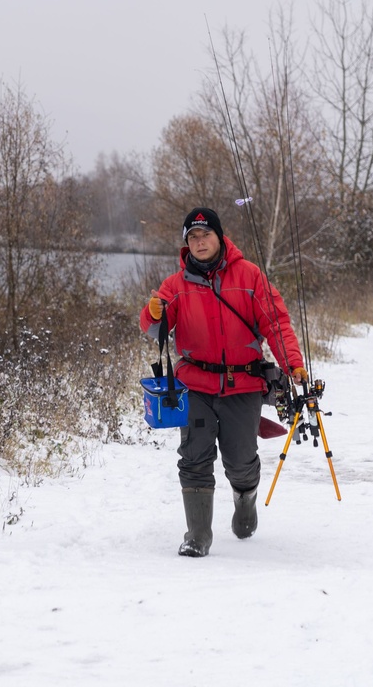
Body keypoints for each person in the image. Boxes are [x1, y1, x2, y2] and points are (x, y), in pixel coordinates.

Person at [140, 207, 308, 558]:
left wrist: (293, 365)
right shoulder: (175, 285)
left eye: (206, 235)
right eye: (193, 238)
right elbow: (154, 329)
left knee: (240, 459)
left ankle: (245, 498)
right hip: (195, 384)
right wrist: (152, 313)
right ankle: (197, 535)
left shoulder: (249, 276)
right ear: (187, 244)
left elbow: (276, 322)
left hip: (243, 383)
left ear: (219, 237)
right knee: (194, 456)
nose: (200, 243)